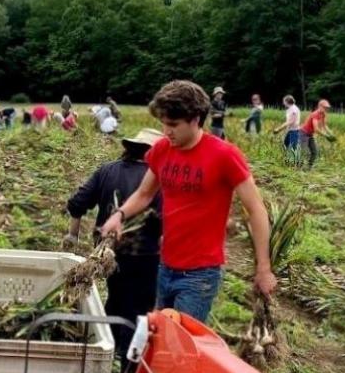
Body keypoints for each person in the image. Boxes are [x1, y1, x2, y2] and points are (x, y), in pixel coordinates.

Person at [100, 80, 277, 323]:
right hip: (165, 265)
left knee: (180, 344)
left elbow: (256, 210)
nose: (166, 131)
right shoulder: (163, 149)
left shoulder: (224, 155)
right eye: (163, 124)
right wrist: (118, 215)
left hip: (199, 275)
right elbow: (144, 194)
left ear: (195, 119)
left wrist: (264, 268)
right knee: (160, 336)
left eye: (173, 125)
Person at [64, 128, 163, 359]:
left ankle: (105, 348)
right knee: (137, 308)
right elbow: (164, 220)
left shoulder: (108, 170)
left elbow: (77, 203)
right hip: (144, 254)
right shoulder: (157, 179)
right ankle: (126, 358)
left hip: (107, 252)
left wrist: (72, 235)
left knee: (116, 296)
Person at [299, 99, 334, 169]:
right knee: (304, 151)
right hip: (303, 133)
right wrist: (326, 136)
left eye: (327, 108)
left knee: (314, 152)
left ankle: (309, 167)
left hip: (310, 134)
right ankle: (297, 167)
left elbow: (324, 125)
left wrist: (330, 133)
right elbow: (316, 129)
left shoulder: (323, 114)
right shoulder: (315, 114)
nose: (326, 109)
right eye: (324, 107)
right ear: (319, 106)